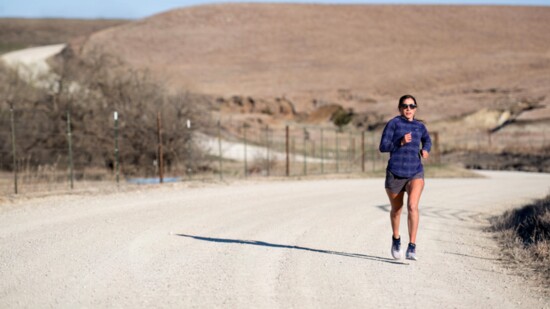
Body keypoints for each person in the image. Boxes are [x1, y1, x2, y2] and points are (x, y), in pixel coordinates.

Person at [379, 94, 431, 261]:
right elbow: (383, 147)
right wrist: (399, 142)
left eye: (412, 106)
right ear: (400, 108)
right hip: (395, 172)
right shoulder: (394, 124)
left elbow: (427, 140)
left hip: (415, 171)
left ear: (416, 108)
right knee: (397, 210)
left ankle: (412, 247)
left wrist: (426, 150)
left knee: (413, 206)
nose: (408, 109)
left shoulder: (420, 126)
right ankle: (396, 239)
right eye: (405, 106)